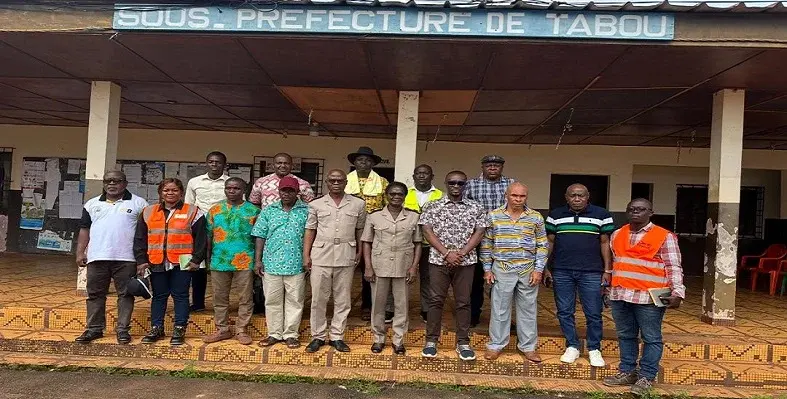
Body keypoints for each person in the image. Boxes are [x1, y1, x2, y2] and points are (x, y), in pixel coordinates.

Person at [603, 198, 685, 396]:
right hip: (621, 294)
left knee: (651, 338)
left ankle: (646, 377)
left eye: (641, 209)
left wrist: (678, 292)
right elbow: (616, 263)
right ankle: (627, 371)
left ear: (651, 212)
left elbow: (673, 266)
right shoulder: (617, 234)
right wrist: (608, 290)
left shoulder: (664, 236)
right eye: (631, 209)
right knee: (625, 335)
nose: (635, 212)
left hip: (648, 298)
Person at [419, 171, 489, 361]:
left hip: (465, 262)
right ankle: (431, 341)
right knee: (435, 300)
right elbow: (427, 230)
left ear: (465, 185)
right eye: (452, 183)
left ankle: (463, 342)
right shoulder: (432, 206)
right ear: (446, 183)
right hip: (438, 261)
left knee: (464, 302)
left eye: (460, 183)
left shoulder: (476, 207)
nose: (456, 186)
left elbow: (480, 232)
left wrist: (462, 252)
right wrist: (446, 253)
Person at [74, 171, 148, 345]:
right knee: (95, 294)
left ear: (125, 183)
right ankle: (94, 329)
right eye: (108, 181)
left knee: (126, 295)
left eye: (117, 181)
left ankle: (122, 330)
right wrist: (80, 252)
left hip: (127, 258)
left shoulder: (139, 203)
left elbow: (145, 232)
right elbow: (84, 229)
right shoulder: (92, 204)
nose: (112, 184)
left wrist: (142, 258)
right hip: (97, 257)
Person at [545, 184, 615, 367]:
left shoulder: (602, 214)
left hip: (592, 271)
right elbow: (549, 242)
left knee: (593, 312)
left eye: (581, 196)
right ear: (566, 197)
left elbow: (605, 242)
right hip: (561, 270)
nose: (577, 199)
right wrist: (544, 267)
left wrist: (608, 270)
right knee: (564, 311)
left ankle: (594, 348)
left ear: (588, 196)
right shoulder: (555, 215)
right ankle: (572, 346)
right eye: (573, 196)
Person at [480, 182, 548, 363]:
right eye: (514, 196)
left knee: (528, 309)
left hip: (527, 270)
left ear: (527, 197)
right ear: (506, 195)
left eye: (522, 196)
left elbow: (542, 244)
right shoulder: (494, 216)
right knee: (500, 309)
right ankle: (495, 345)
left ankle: (528, 347)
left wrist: (538, 270)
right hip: (501, 268)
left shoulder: (535, 217)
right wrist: (487, 269)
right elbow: (487, 244)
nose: (518, 199)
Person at [135, 178, 207, 346]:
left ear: (181, 193)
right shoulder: (148, 211)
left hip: (183, 261)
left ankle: (179, 328)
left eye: (174, 190)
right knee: (159, 296)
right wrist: (141, 260)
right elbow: (140, 238)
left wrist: (197, 259)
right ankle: (156, 328)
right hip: (156, 260)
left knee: (181, 295)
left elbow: (202, 239)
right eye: (166, 190)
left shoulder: (194, 211)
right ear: (160, 193)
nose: (170, 193)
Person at [304, 169, 366, 353]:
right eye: (332, 180)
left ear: (346, 182)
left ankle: (337, 336)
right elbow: (310, 230)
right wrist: (306, 255)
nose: (336, 183)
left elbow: (360, 231)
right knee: (318, 298)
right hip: (321, 254)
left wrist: (360, 252)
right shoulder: (316, 205)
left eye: (340, 180)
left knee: (343, 299)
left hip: (346, 253)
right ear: (327, 183)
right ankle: (318, 336)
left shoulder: (358, 204)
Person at [362, 182, 422, 354]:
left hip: (404, 265)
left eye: (400, 194)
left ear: (405, 197)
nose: (396, 197)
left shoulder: (413, 217)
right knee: (378, 304)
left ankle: (398, 340)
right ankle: (378, 338)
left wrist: (414, 267)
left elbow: (417, 243)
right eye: (392, 194)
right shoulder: (374, 216)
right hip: (379, 265)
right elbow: (367, 242)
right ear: (386, 195)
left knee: (402, 305)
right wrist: (368, 266)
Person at [251, 176, 310, 349]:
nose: (287, 194)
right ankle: (274, 334)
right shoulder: (269, 210)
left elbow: (311, 236)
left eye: (291, 191)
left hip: (297, 264)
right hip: (271, 263)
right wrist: (258, 261)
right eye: (284, 190)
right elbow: (260, 235)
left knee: (295, 301)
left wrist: (308, 259)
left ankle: (291, 334)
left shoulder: (306, 210)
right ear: (279, 191)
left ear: (297, 192)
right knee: (272, 301)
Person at [201, 177, 258, 346]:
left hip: (245, 261)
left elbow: (258, 239)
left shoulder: (254, 211)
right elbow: (208, 237)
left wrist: (258, 261)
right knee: (220, 297)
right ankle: (222, 329)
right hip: (219, 260)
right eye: (228, 188)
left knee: (245, 297)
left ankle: (242, 329)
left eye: (236, 188)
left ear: (244, 191)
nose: (232, 191)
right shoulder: (214, 210)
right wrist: (208, 259)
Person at [464, 155, 514, 327]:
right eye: (489, 165)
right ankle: (473, 315)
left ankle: (502, 319)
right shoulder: (471, 185)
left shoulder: (511, 184)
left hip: (503, 240)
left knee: (503, 281)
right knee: (476, 280)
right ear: (482, 166)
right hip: (476, 240)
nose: (492, 168)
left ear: (502, 167)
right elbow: (465, 210)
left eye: (496, 165)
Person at [345, 146, 389, 321]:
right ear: (354, 163)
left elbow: (387, 206)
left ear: (373, 164)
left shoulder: (383, 182)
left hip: (373, 232)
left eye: (368, 160)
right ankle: (343, 307)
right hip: (348, 229)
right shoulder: (344, 181)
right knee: (345, 269)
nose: (364, 163)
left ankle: (368, 305)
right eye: (360, 160)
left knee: (369, 269)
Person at [184, 151, 230, 312]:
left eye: (218, 162)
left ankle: (222, 304)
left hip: (223, 226)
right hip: (198, 225)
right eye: (211, 162)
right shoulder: (194, 182)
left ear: (224, 165)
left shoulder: (230, 182)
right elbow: (188, 204)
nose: (214, 165)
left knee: (219, 263)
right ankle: (197, 302)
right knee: (198, 263)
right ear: (206, 163)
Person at [404, 164, 443, 322]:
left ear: (432, 176)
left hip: (430, 243)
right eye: (418, 173)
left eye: (425, 173)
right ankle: (392, 309)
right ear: (413, 176)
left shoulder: (441, 195)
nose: (421, 176)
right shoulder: (405, 193)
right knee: (399, 276)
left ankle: (426, 309)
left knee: (428, 278)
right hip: (407, 242)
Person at [248, 152, 314, 209]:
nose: (283, 165)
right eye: (279, 163)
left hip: (294, 221)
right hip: (267, 222)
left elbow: (311, 205)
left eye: (286, 163)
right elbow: (254, 203)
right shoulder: (261, 182)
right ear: (273, 165)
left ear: (291, 166)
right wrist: (262, 217)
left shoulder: (303, 184)